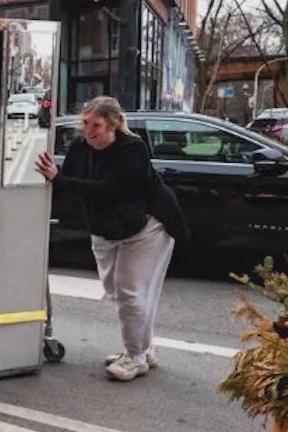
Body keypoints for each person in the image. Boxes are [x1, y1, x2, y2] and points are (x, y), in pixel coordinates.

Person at [34, 96, 186, 382]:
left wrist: (59, 179)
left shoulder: (133, 149)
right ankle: (144, 347)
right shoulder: (80, 146)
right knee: (117, 290)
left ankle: (136, 357)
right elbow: (69, 182)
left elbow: (109, 189)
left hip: (147, 225)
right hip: (107, 226)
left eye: (97, 125)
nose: (89, 131)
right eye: (85, 123)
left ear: (113, 124)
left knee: (132, 291)